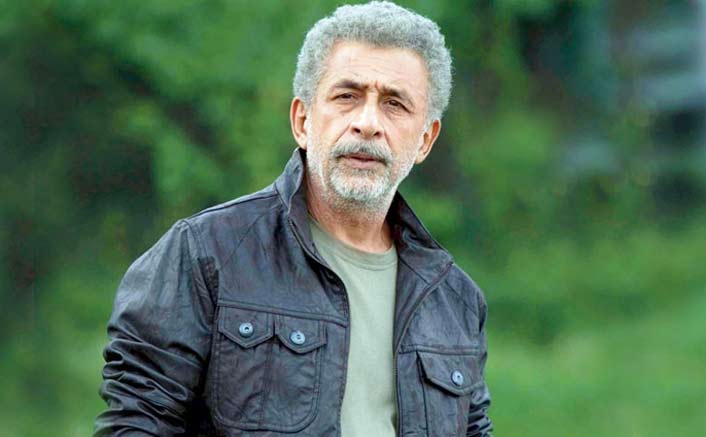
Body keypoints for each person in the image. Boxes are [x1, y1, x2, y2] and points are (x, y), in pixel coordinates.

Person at [95, 1, 492, 436]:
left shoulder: (455, 301)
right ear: (302, 120)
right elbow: (136, 424)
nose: (367, 123)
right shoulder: (205, 254)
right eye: (347, 96)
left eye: (394, 104)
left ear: (425, 140)